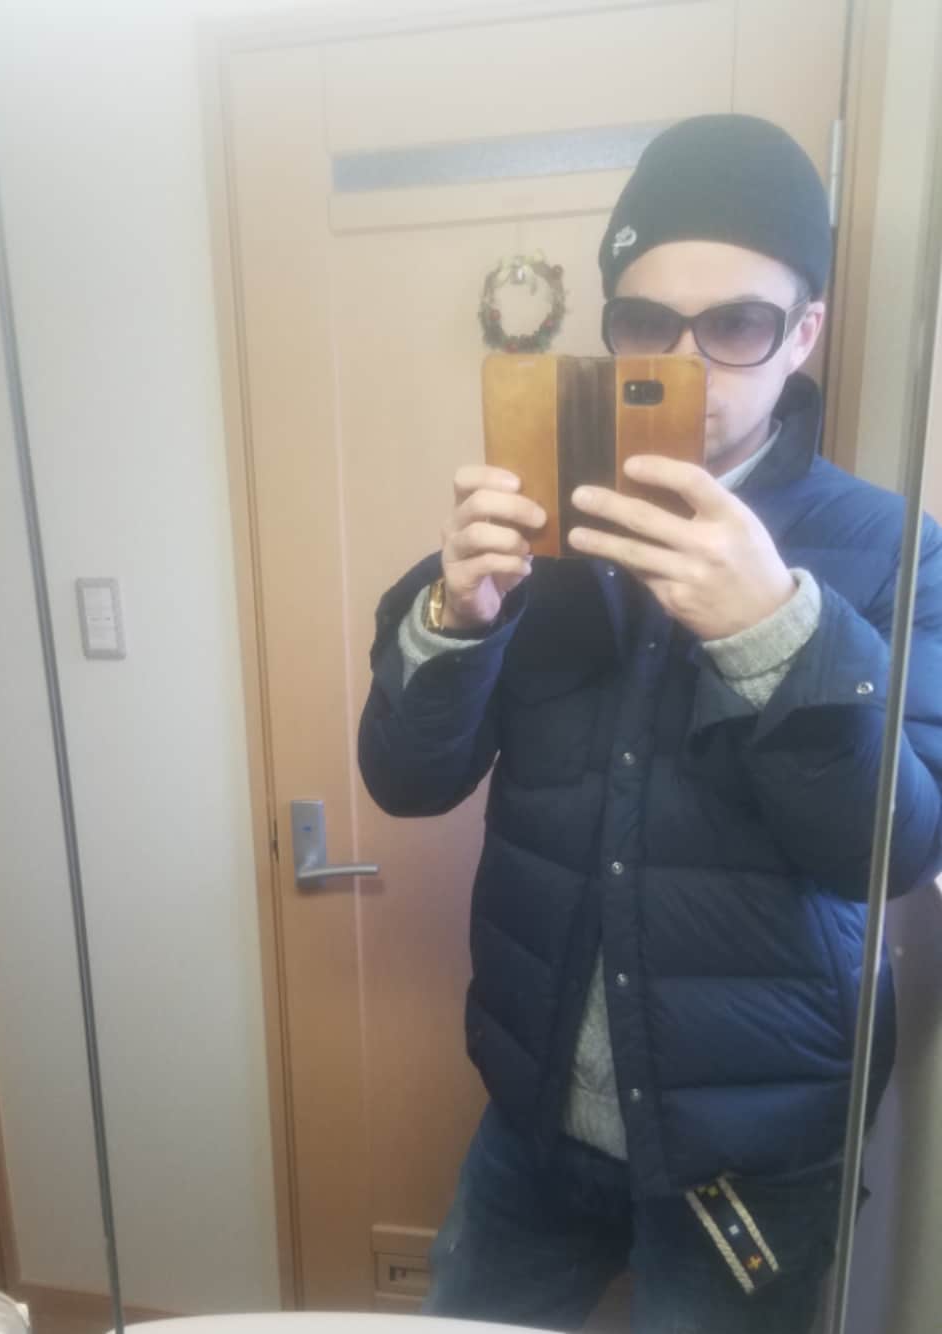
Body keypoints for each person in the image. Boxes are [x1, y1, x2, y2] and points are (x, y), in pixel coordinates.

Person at [357, 115, 942, 1333]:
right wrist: (453, 617)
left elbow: (886, 848)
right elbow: (406, 779)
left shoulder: (897, 552)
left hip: (754, 1150)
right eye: (646, 322)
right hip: (531, 1116)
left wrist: (775, 626)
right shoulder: (540, 518)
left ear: (803, 332)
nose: (689, 363)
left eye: (737, 324)